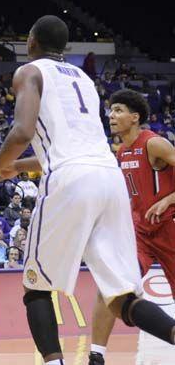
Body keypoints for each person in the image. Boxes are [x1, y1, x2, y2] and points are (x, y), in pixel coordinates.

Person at [0, 15, 175, 365]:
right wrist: (15, 168)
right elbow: (75, 146)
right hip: (109, 179)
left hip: (69, 180)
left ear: (31, 43)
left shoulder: (29, 71)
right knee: (120, 297)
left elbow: (22, 132)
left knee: (36, 288)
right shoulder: (83, 78)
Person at [87, 89, 175, 364]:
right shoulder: (121, 151)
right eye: (110, 110)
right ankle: (96, 355)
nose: (111, 115)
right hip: (140, 233)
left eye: (118, 110)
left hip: (170, 227)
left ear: (135, 117)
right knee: (111, 284)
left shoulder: (155, 144)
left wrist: (168, 200)